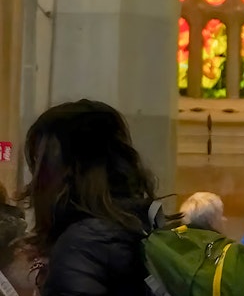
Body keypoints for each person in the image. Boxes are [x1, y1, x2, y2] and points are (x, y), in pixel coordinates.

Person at [18, 100, 158, 295]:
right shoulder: (142, 224)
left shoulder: (82, 246)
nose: (34, 184)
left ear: (66, 172)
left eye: (39, 163)